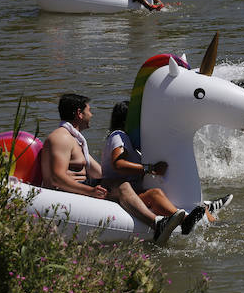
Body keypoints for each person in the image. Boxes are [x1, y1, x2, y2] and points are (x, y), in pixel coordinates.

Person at [40, 93, 185, 242]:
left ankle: (176, 218)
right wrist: (91, 191)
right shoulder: (61, 138)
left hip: (80, 188)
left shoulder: (75, 141)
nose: (92, 114)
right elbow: (57, 177)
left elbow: (101, 173)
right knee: (121, 185)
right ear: (79, 114)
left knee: (125, 186)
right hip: (66, 194)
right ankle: (156, 224)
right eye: (89, 110)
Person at [100, 100, 234, 235]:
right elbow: (118, 164)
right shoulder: (118, 135)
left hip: (134, 189)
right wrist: (150, 168)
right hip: (119, 192)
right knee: (155, 194)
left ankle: (213, 224)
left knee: (173, 194)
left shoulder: (130, 141)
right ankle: (187, 221)